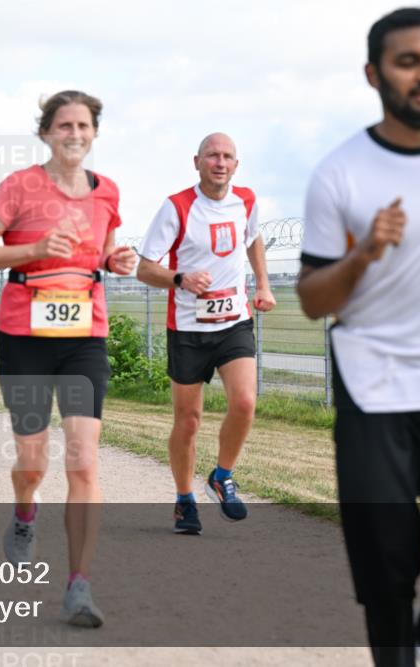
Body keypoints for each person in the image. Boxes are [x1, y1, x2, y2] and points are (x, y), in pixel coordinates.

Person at [296, 8, 420, 667]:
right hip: (374, 388)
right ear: (373, 73)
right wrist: (362, 256)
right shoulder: (339, 173)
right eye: (408, 61)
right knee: (385, 578)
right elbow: (309, 299)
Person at [0, 90, 137, 628]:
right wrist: (36, 250)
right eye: (64, 125)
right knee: (32, 461)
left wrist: (119, 258)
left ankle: (78, 585)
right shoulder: (19, 187)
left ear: (94, 133)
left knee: (84, 460)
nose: (74, 133)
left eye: (83, 125)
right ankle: (24, 513)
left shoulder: (106, 191)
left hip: (85, 335)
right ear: (46, 133)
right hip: (25, 337)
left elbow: (105, 250)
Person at [135, 133, 275, 535]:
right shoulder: (177, 207)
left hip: (233, 321)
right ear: (197, 162)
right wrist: (180, 278)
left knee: (245, 402)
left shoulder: (246, 200)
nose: (220, 162)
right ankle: (184, 500)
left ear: (236, 164)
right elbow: (145, 269)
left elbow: (253, 240)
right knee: (189, 421)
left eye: (227, 156)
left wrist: (263, 284)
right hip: (188, 328)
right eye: (212, 155)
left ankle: (222, 475)